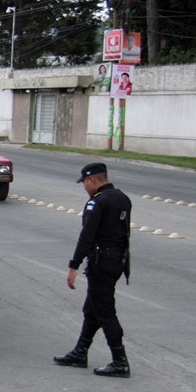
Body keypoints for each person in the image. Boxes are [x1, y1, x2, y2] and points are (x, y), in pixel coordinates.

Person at [54, 162, 133, 377]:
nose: (84, 188)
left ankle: (120, 361)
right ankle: (80, 352)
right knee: (92, 309)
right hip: (116, 262)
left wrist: (73, 266)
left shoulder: (97, 202)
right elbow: (124, 235)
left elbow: (86, 237)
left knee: (105, 311)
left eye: (85, 183)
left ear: (92, 180)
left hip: (101, 262)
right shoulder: (123, 198)